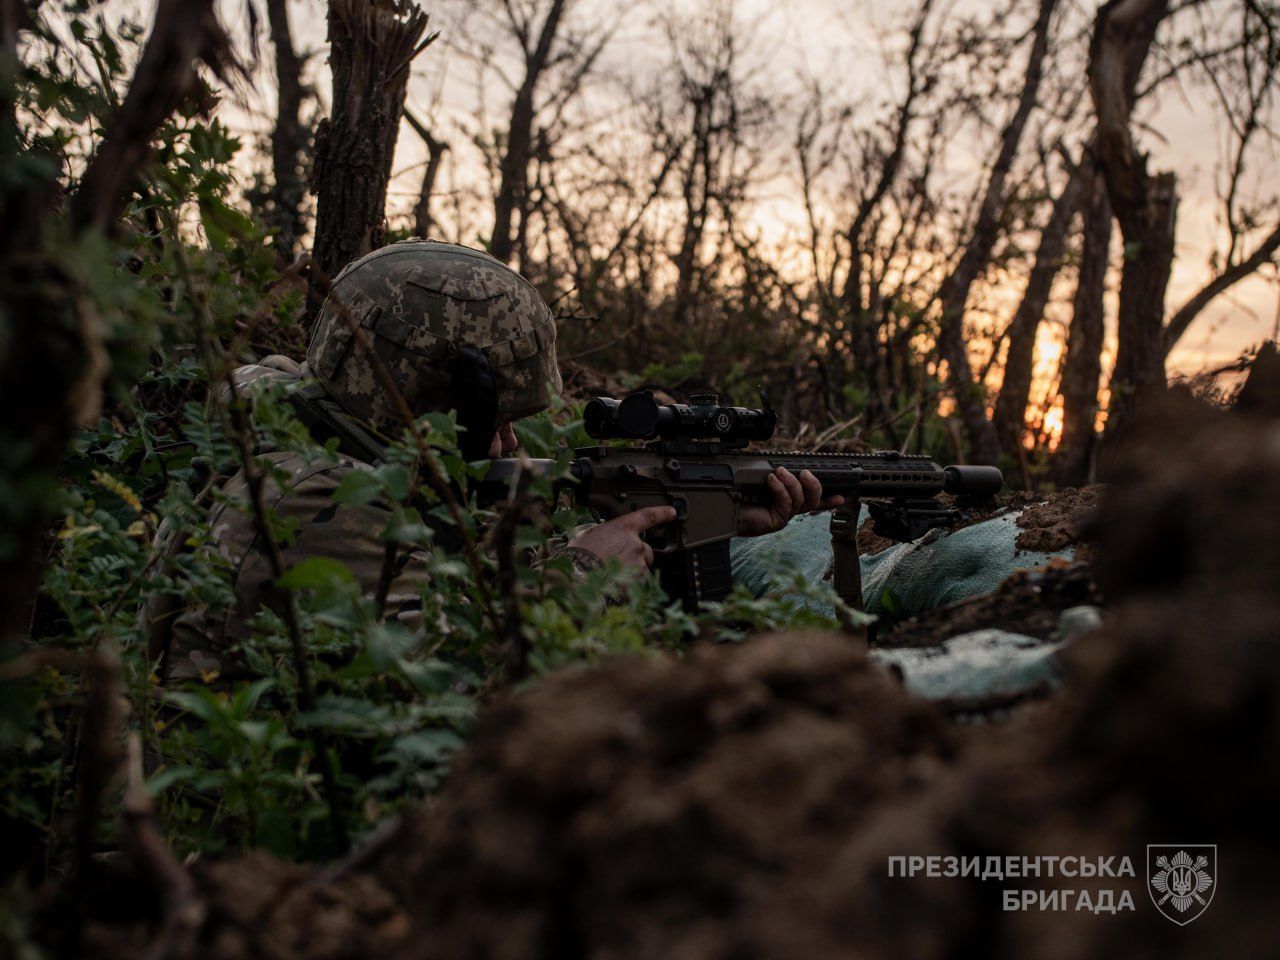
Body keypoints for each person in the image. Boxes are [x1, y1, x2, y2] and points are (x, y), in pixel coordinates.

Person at [144, 240, 837, 682]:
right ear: (423, 398)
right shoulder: (312, 497)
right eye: (498, 422)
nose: (510, 446)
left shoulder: (308, 429)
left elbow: (429, 592)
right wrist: (586, 571)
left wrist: (696, 522)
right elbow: (455, 664)